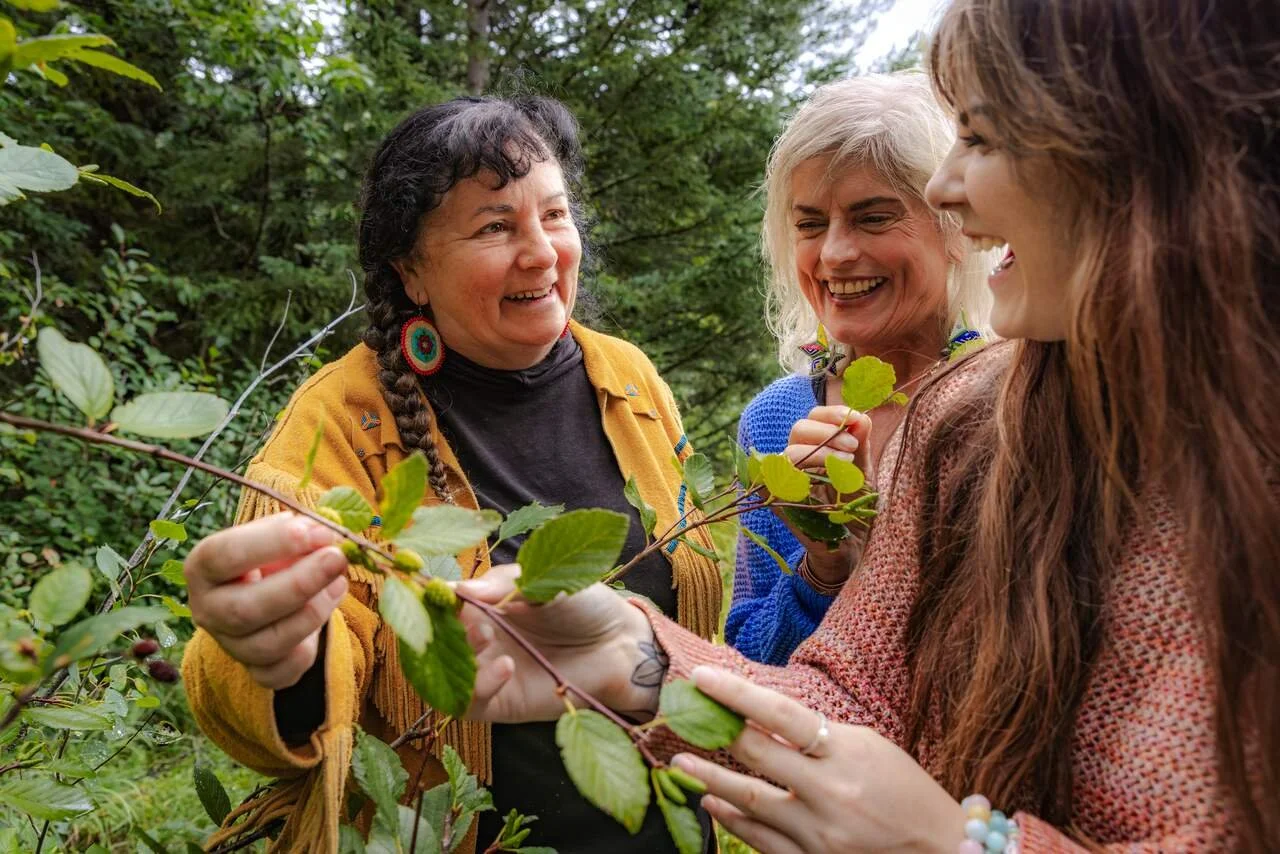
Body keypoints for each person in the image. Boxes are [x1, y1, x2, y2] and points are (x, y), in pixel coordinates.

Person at [451, 0, 1280, 850]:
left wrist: (962, 845)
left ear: (1144, 155)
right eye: (810, 225)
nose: (947, 187)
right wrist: (643, 656)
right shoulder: (958, 428)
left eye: (985, 138)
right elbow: (848, 693)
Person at [180, 96, 723, 853]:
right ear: (412, 271)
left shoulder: (628, 379)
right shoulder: (340, 421)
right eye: (495, 226)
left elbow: (695, 608)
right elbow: (288, 682)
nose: (541, 251)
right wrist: (282, 659)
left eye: (555, 216)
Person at [729, 71, 993, 665]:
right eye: (809, 224)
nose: (834, 254)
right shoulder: (775, 423)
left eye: (873, 217)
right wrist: (825, 567)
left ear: (956, 226)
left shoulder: (1018, 394)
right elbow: (748, 658)